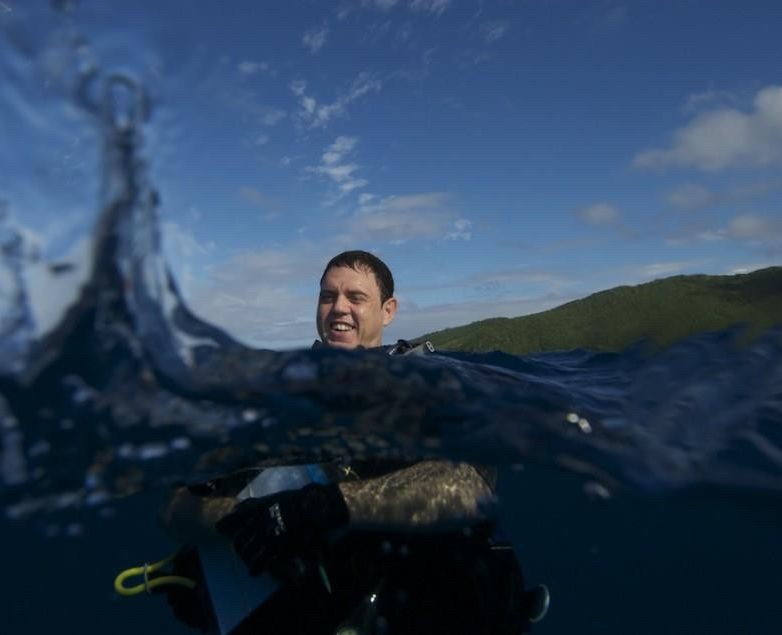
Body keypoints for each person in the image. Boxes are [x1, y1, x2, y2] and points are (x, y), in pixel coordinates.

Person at [161, 250, 546, 634]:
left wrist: (319, 507)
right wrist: (251, 519)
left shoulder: (428, 387)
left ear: (388, 310)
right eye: (327, 296)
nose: (338, 308)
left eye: (356, 297)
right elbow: (177, 512)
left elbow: (469, 485)